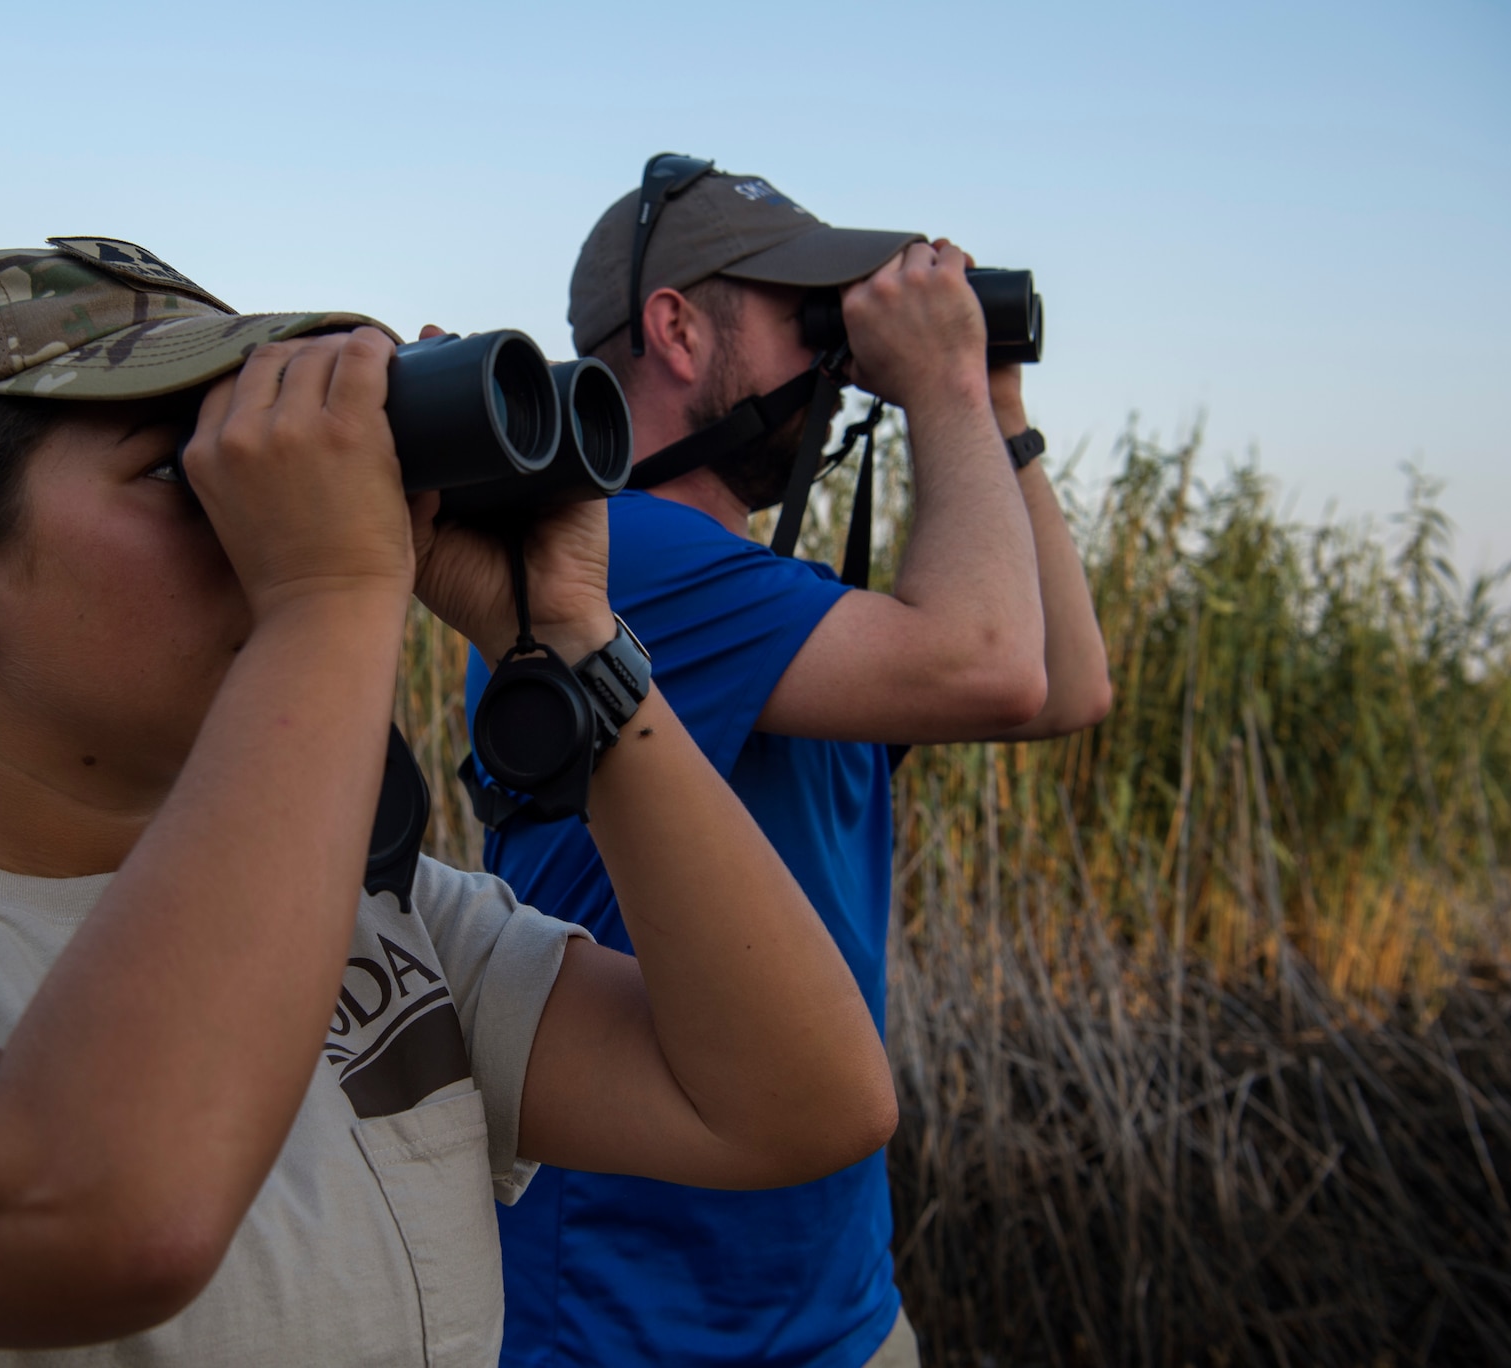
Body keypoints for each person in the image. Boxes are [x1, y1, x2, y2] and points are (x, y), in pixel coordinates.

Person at [0, 238, 900, 1368]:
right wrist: (324, 598)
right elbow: (99, 1210)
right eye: (192, 473)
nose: (276, 520)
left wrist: (575, 647)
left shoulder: (396, 931)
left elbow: (800, 1105)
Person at [465, 162, 1114, 1366]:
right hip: (634, 1323)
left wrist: (992, 401)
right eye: (804, 313)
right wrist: (937, 393)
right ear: (673, 327)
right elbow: (991, 665)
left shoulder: (766, 604)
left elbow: (1065, 684)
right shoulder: (607, 561)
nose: (834, 350)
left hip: (833, 1307)